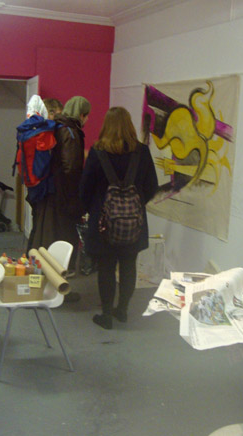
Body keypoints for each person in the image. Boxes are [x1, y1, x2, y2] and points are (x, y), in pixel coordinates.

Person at [79, 107, 158, 329]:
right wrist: (135, 205)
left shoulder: (97, 152)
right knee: (128, 265)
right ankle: (122, 310)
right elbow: (152, 186)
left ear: (107, 125)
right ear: (129, 125)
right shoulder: (142, 152)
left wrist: (94, 209)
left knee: (106, 266)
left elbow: (85, 189)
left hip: (103, 223)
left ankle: (106, 314)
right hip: (134, 222)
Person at [27, 96, 90, 282]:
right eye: (86, 115)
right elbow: (70, 168)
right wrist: (76, 198)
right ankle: (57, 282)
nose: (87, 120)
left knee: (44, 237)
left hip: (48, 192)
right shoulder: (70, 131)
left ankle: (38, 278)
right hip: (62, 196)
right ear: (81, 114)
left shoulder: (56, 127)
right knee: (62, 239)